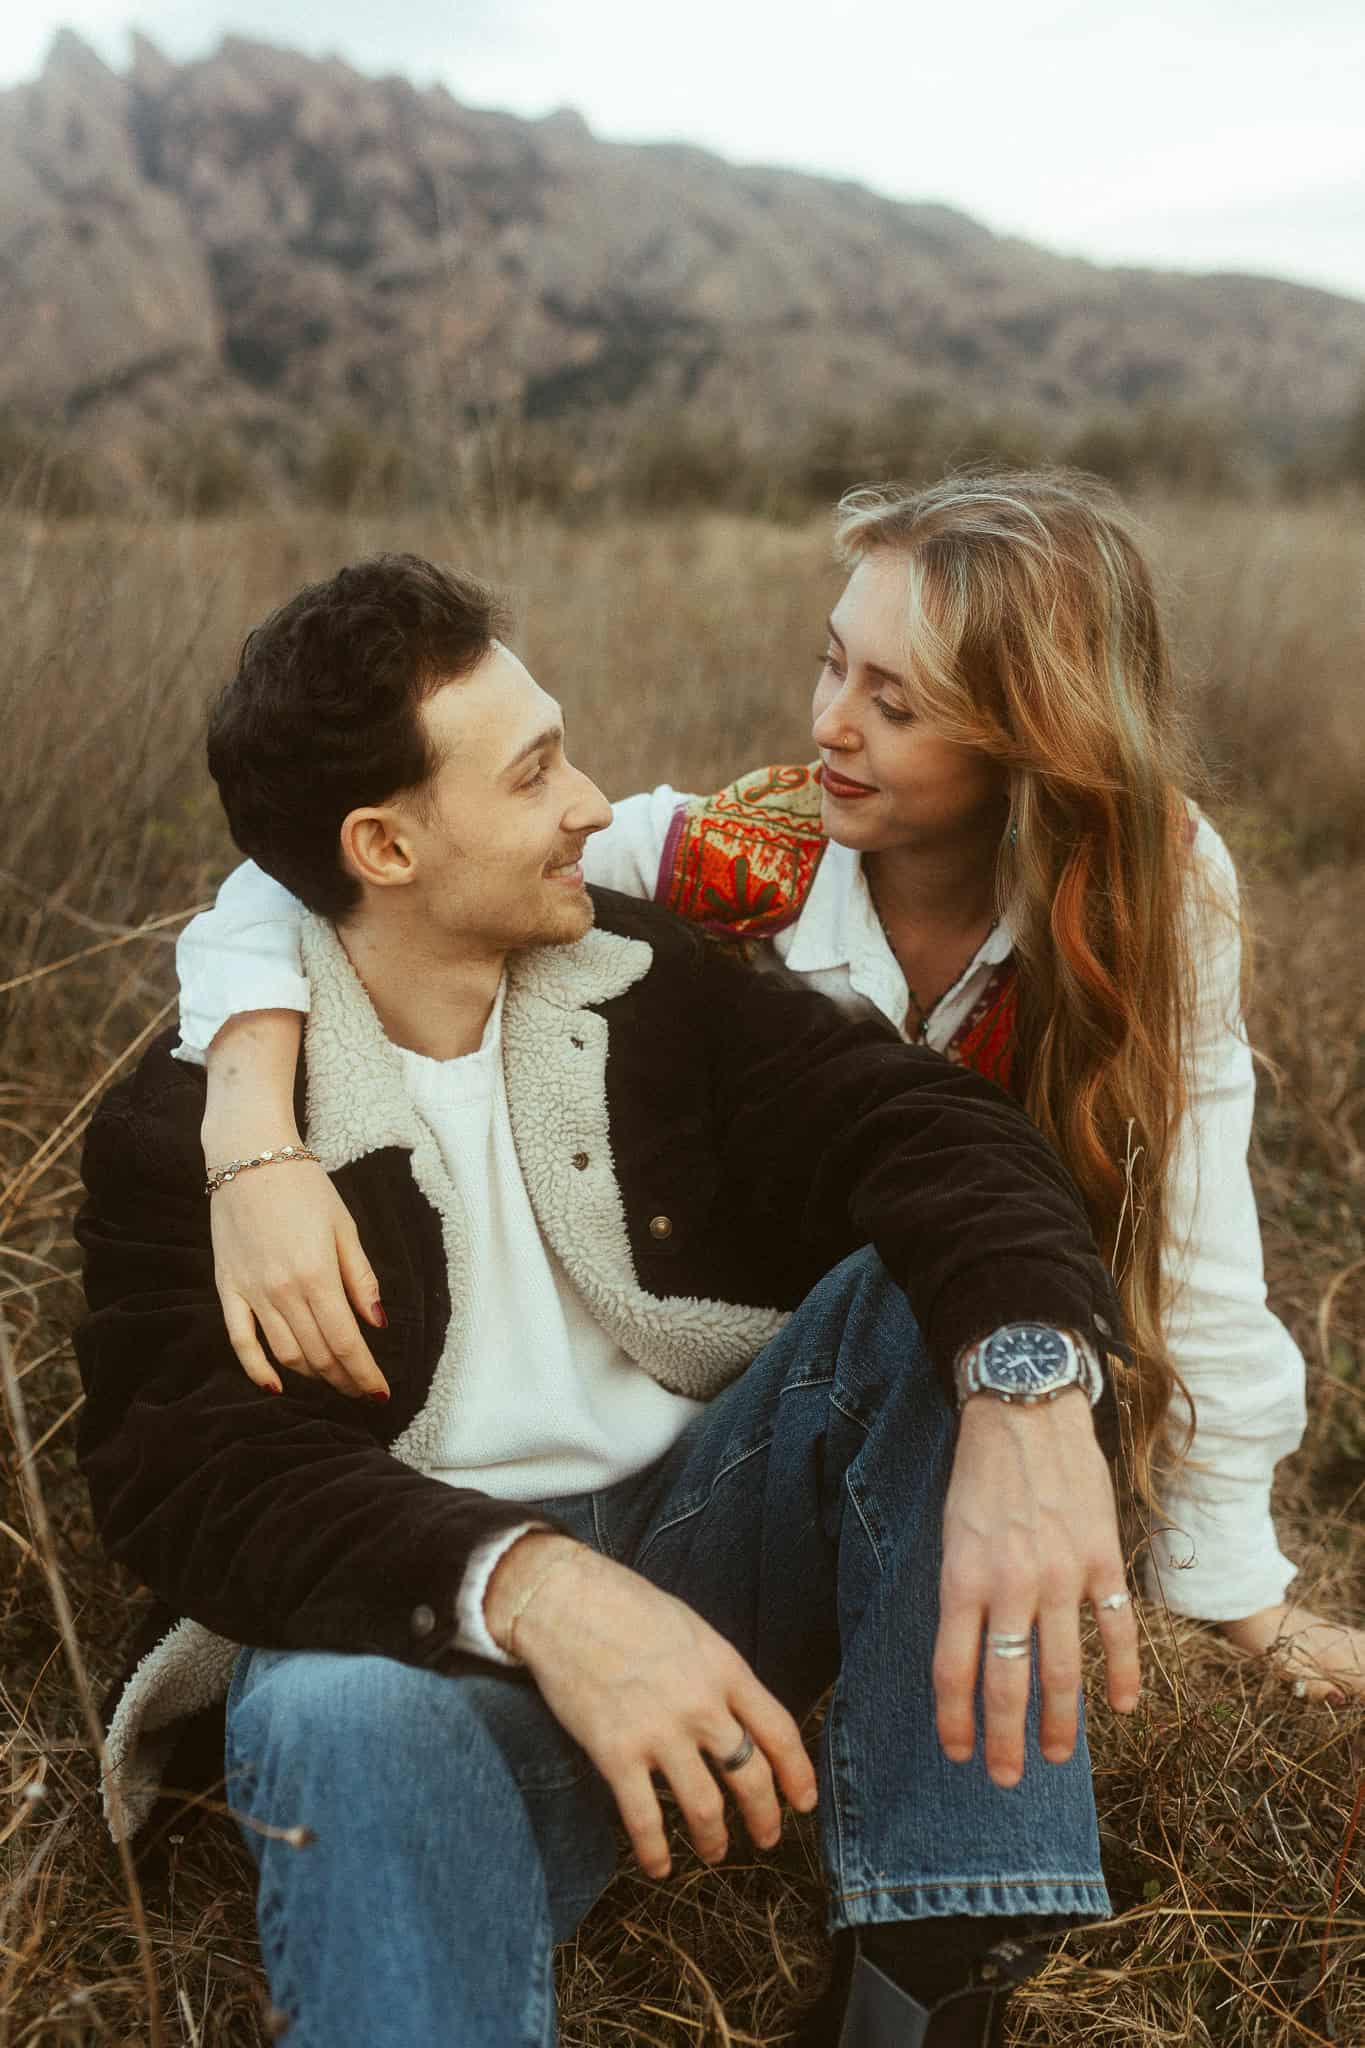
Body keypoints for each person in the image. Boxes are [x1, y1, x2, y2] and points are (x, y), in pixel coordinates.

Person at [75, 553, 1142, 2048]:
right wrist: (532, 1588)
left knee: (926, 1301)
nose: (591, 803)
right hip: (416, 1640)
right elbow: (194, 1478)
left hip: (710, 1540)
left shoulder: (645, 975)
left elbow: (922, 1128)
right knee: (326, 1714)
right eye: (533, 776)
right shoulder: (189, 1135)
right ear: (381, 847)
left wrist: (1030, 1384)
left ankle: (927, 1982)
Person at [179, 472, 1363, 1707]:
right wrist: (251, 1124)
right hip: (781, 1420)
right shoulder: (738, 856)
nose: (830, 725)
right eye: (832, 663)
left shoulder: (1150, 894)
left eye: (893, 702)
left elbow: (1201, 1249)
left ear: (1028, 736)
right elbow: (333, 864)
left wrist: (1241, 1596)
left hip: (1012, 1369)